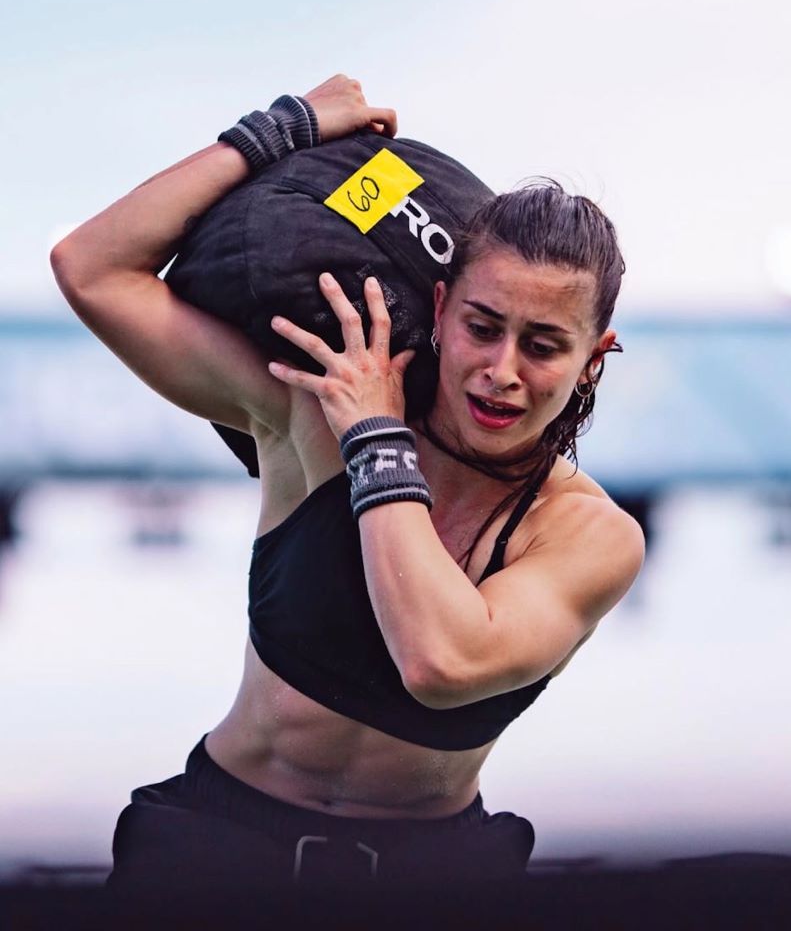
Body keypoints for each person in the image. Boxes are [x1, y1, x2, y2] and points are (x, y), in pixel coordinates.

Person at [51, 74, 644, 899]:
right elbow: (92, 269)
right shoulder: (311, 412)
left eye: (544, 345)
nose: (501, 370)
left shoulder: (590, 535)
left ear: (594, 356)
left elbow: (441, 661)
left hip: (432, 882)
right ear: (441, 308)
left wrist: (376, 438)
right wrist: (282, 129)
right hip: (217, 849)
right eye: (482, 327)